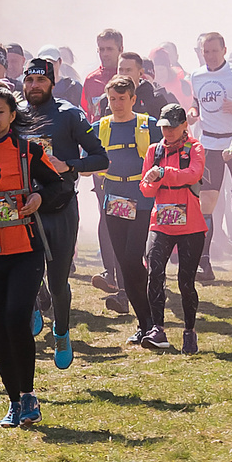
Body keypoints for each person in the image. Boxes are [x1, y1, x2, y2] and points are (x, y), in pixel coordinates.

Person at [0, 86, 59, 425]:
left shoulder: (28, 150)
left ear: (12, 115)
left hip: (25, 248)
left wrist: (38, 198)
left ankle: (28, 394)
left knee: (16, 318)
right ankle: (13, 400)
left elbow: (56, 184)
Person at [17, 56, 104, 370]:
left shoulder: (69, 115)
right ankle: (34, 305)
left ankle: (62, 331)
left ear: (51, 83)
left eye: (40, 80)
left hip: (61, 207)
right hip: (24, 208)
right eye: (29, 80)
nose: (34, 86)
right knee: (24, 273)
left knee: (57, 282)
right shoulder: (14, 115)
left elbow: (100, 158)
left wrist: (71, 166)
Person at [89, 76, 156, 329]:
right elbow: (87, 161)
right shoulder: (99, 127)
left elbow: (164, 154)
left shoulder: (147, 125)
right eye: (112, 99)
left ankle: (148, 309)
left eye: (122, 99)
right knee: (123, 260)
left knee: (131, 257)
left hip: (141, 198)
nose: (117, 104)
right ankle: (144, 320)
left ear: (133, 100)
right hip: (112, 197)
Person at [140, 104, 208, 352]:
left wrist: (163, 173)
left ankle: (189, 331)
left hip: (191, 224)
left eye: (172, 127)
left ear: (184, 126)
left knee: (185, 282)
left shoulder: (195, 148)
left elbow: (193, 174)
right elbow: (145, 187)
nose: (167, 132)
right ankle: (157, 329)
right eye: (163, 127)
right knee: (154, 272)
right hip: (160, 222)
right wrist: (152, 181)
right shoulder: (154, 150)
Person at [186, 32, 232, 280]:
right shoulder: (197, 75)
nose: (210, 56)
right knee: (206, 204)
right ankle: (204, 263)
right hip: (209, 143)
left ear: (224, 50)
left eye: (214, 51)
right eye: (205, 52)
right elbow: (196, 102)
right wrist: (192, 111)